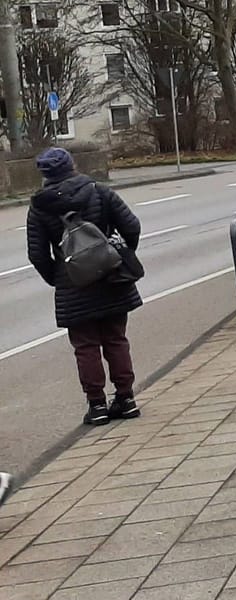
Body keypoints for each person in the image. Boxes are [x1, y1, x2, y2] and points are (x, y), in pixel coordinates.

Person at [26, 148, 145, 424]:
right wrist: (116, 257)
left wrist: (59, 276)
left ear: (45, 174)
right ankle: (126, 399)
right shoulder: (99, 191)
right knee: (116, 338)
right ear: (72, 165)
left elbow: (37, 254)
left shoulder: (39, 206)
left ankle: (97, 406)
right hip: (112, 278)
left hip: (73, 285)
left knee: (85, 346)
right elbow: (132, 226)